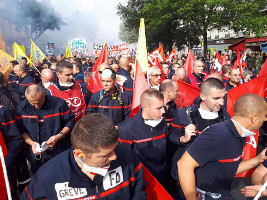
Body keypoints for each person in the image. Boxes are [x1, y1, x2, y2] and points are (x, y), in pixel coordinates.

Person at [21, 113, 146, 200]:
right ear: (79, 154)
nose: (114, 157)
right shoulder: (48, 178)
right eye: (106, 154)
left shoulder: (127, 157)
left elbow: (139, 192)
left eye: (114, 149)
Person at [178, 94, 267, 200]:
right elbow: (184, 165)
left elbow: (229, 168)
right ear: (254, 118)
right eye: (265, 115)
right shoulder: (217, 134)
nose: (265, 119)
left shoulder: (240, 135)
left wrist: (258, 159)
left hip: (223, 195)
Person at [169, 78, 230, 182]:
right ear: (203, 96)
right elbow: (171, 136)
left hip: (213, 175)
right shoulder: (184, 115)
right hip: (188, 175)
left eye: (223, 97)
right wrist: (183, 139)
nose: (221, 102)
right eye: (216, 98)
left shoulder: (225, 117)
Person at [16, 84, 75, 173]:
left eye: (39, 102)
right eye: (32, 103)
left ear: (44, 93)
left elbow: (70, 121)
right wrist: (31, 143)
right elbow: (21, 129)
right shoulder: (22, 108)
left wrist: (60, 135)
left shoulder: (58, 104)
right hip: (36, 154)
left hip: (58, 151)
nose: (37, 106)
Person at [118, 88, 168, 186]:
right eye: (159, 108)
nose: (163, 111)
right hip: (144, 182)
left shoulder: (163, 123)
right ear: (145, 108)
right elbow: (124, 160)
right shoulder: (127, 129)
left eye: (163, 107)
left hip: (163, 180)